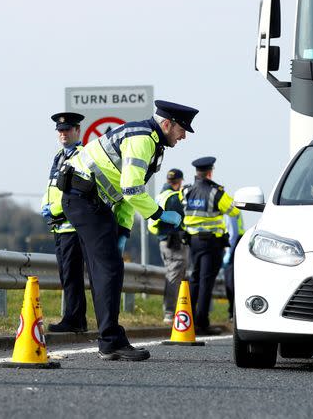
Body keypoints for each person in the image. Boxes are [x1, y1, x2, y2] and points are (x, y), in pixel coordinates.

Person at [60, 100, 198, 361]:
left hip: (91, 201)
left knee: (107, 268)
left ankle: (109, 340)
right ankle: (110, 342)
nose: (183, 137)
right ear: (167, 124)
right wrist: (158, 213)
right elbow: (132, 189)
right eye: (182, 130)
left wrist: (123, 231)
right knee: (109, 268)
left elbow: (124, 196)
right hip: (83, 198)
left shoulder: (153, 144)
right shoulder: (143, 139)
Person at [41, 112, 88, 334]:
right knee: (66, 273)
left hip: (73, 225)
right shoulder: (59, 156)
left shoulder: (82, 156)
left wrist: (56, 209)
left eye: (67, 130)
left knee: (72, 274)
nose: (63, 134)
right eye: (60, 131)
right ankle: (74, 317)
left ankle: (75, 319)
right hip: (59, 224)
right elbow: (52, 186)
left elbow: (77, 192)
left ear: (78, 130)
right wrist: (45, 205)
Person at [183, 156, 240, 336]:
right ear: (210, 172)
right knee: (206, 282)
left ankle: (188, 321)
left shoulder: (185, 191)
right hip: (211, 243)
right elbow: (234, 210)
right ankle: (202, 323)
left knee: (194, 279)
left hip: (192, 242)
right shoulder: (216, 193)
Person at [148, 168, 187, 325]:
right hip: (174, 242)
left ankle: (173, 313)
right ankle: (170, 314)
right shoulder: (174, 197)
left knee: (172, 275)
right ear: (179, 182)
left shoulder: (160, 195)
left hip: (163, 240)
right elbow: (182, 219)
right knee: (174, 277)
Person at [222, 211, 245, 320]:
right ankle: (233, 312)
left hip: (233, 244)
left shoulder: (227, 206)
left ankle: (233, 312)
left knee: (230, 281)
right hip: (234, 243)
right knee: (232, 280)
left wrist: (229, 252)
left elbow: (233, 232)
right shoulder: (229, 203)